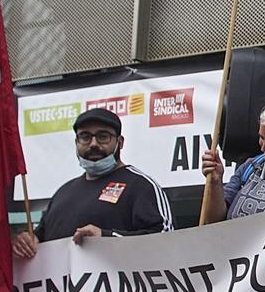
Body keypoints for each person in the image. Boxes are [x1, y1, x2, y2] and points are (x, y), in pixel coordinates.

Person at [13, 109, 171, 256]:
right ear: (76, 142)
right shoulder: (62, 193)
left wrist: (106, 237)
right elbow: (39, 238)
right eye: (85, 137)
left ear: (120, 142)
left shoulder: (141, 186)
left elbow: (167, 240)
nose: (93, 144)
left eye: (103, 136)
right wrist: (28, 241)